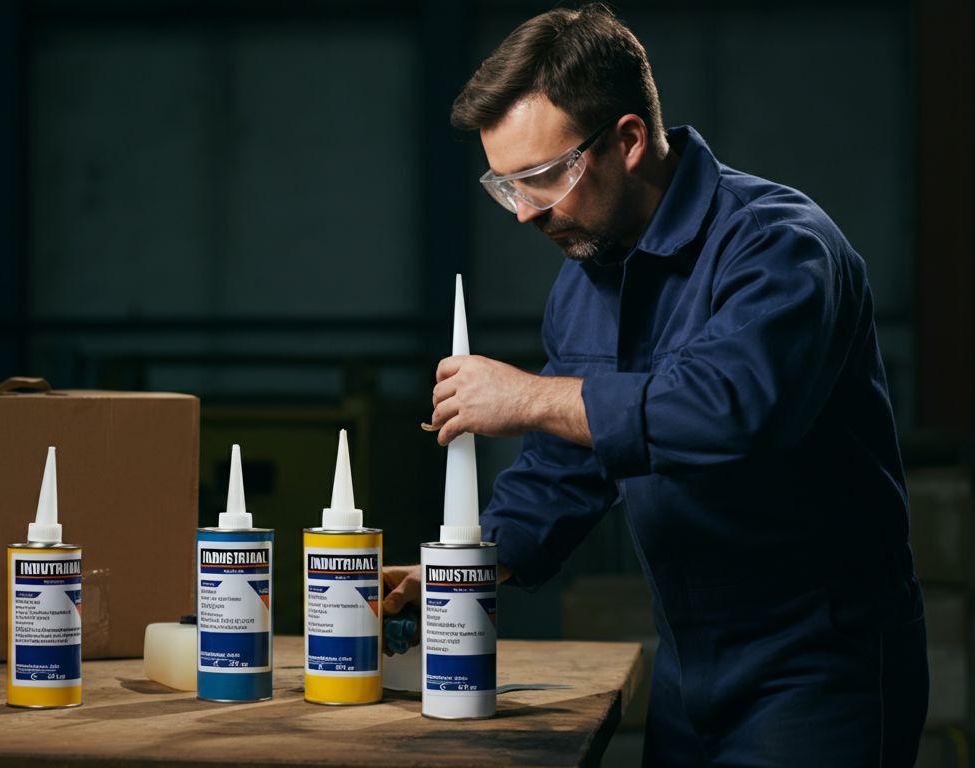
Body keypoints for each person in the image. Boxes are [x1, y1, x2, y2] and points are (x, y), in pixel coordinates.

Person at [383, 5, 928, 765]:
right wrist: (477, 564)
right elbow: (577, 455)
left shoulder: (778, 249)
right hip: (686, 664)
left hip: (816, 664)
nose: (524, 213)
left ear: (629, 141)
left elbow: (726, 410)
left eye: (541, 178)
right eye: (505, 188)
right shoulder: (588, 275)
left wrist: (529, 397)